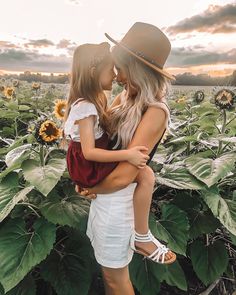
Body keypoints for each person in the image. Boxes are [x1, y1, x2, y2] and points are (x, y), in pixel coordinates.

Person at [75, 22, 177, 294]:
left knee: (115, 279)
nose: (117, 77)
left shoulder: (155, 111)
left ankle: (143, 237)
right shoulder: (125, 98)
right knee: (108, 273)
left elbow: (126, 174)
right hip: (104, 196)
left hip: (120, 200)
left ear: (139, 70)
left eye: (121, 69)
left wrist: (90, 188)